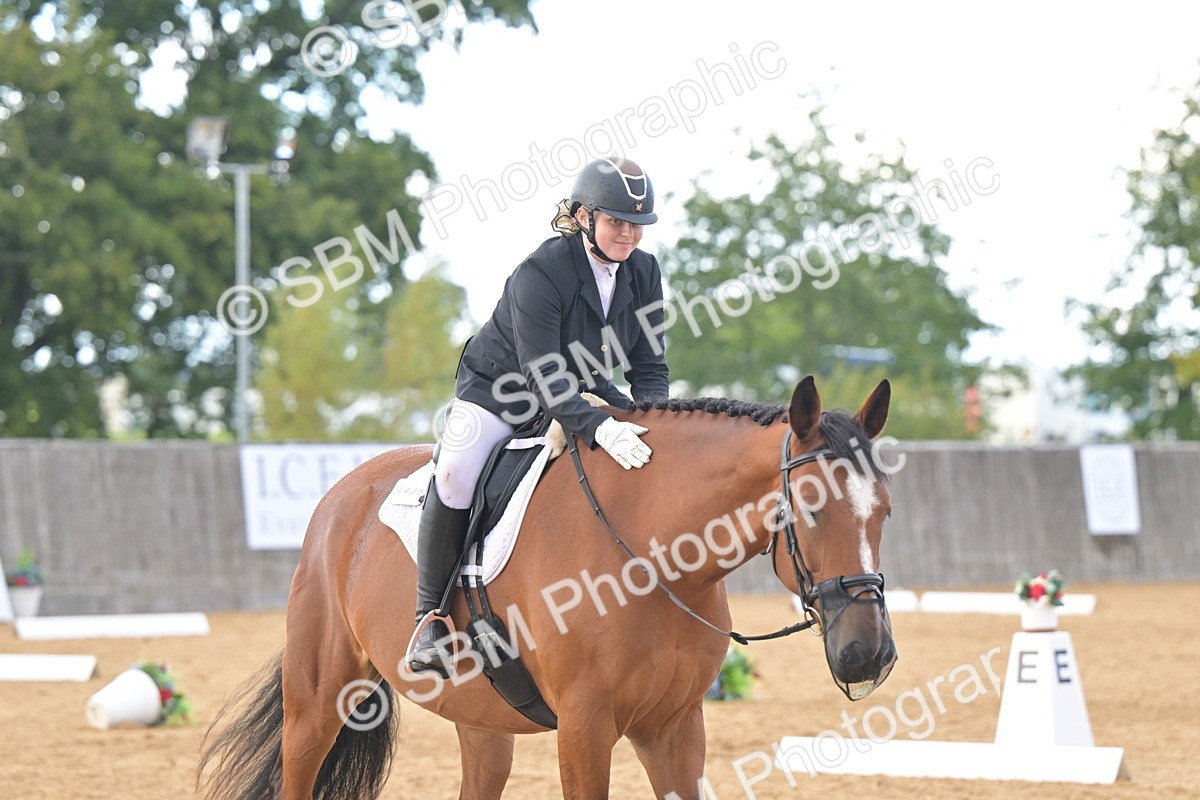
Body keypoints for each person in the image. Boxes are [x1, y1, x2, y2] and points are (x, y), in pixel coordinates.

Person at [408, 155, 670, 676]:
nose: (628, 235)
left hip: (584, 386)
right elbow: (542, 376)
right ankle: (430, 618)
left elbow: (650, 366)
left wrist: (655, 420)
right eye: (617, 221)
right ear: (581, 217)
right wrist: (601, 427)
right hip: (498, 391)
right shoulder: (541, 272)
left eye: (636, 225)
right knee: (456, 472)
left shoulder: (643, 272)